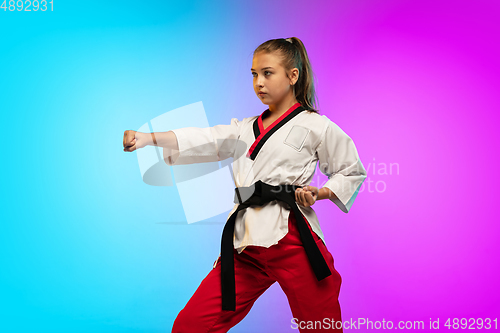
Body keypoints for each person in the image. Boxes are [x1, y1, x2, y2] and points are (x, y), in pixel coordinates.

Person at [123, 37, 367, 333]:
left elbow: (350, 170)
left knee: (321, 326)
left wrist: (321, 192)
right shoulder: (243, 128)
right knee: (190, 326)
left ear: (293, 76)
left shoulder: (316, 125)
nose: (258, 82)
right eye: (254, 74)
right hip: (245, 244)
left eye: (267, 73)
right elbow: (206, 139)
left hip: (293, 240)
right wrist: (147, 138)